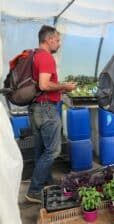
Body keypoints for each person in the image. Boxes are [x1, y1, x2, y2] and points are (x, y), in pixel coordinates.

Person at [25, 25, 76, 203]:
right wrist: (65, 86)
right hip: (46, 109)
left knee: (42, 149)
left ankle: (45, 181)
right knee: (53, 151)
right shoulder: (46, 57)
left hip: (36, 108)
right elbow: (44, 85)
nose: (59, 44)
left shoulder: (35, 56)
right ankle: (34, 190)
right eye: (58, 40)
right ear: (49, 40)